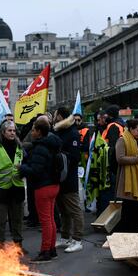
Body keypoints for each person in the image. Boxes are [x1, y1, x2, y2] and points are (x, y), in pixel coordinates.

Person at [19, 118, 62, 263]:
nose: (31, 132)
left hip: (43, 187)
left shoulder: (40, 148)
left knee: (45, 221)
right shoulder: (53, 145)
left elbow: (35, 170)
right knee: (50, 219)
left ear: (39, 132)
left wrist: (22, 168)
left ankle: (45, 252)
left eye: (33, 130)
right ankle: (51, 249)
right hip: (54, 186)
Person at [52, 106, 84, 253]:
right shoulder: (58, 131)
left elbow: (75, 157)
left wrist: (59, 158)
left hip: (68, 178)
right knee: (63, 210)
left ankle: (78, 240)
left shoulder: (72, 133)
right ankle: (65, 237)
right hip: (58, 177)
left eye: (55, 114)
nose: (53, 116)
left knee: (74, 210)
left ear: (61, 116)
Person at [0, 120, 26, 249]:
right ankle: (0, 245)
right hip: (0, 191)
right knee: (0, 221)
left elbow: (25, 165)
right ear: (3, 132)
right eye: (9, 131)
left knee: (17, 220)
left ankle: (18, 246)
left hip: (17, 190)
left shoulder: (19, 147)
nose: (12, 133)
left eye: (14, 131)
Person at [114, 119, 138, 232]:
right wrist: (137, 159)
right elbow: (120, 159)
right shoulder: (122, 140)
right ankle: (130, 232)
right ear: (131, 129)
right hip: (128, 179)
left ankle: (136, 230)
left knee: (137, 207)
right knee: (129, 208)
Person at [96, 105, 124, 215]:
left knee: (110, 193)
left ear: (110, 115)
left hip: (110, 165)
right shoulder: (119, 125)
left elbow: (112, 147)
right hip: (114, 164)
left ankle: (108, 217)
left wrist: (110, 166)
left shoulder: (113, 126)